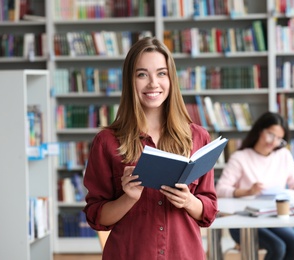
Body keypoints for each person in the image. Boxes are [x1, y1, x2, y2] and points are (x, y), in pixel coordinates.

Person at [83, 37, 218, 260]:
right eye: (142, 74)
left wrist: (188, 201)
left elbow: (209, 211)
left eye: (161, 73)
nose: (153, 83)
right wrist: (128, 198)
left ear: (171, 79)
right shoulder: (107, 141)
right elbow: (97, 217)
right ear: (130, 80)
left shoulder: (198, 138)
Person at [216, 111, 294, 260]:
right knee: (278, 247)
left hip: (273, 218)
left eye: (279, 139)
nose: (273, 142)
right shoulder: (240, 157)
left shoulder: (283, 155)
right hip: (243, 221)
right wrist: (247, 191)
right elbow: (220, 189)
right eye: (271, 135)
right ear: (259, 130)